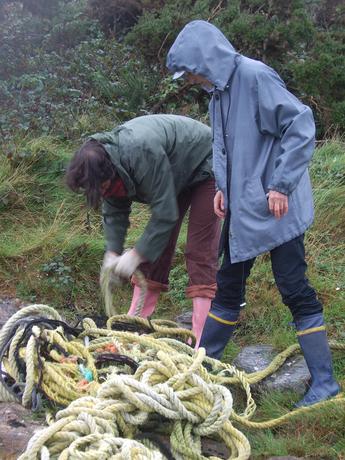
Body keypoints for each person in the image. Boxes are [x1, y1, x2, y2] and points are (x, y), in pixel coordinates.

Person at [166, 20, 340, 406]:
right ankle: (204, 367)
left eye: (190, 71)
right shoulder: (217, 94)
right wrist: (222, 190)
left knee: (294, 288)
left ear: (205, 60)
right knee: (228, 285)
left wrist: (280, 184)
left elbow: (301, 124)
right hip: (242, 209)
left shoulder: (255, 77)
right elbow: (225, 148)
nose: (190, 79)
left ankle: (325, 383)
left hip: (277, 209)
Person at [66, 114, 221, 347]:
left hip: (206, 162)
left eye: (100, 188)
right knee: (158, 246)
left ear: (107, 173)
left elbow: (165, 213)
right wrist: (113, 253)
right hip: (175, 171)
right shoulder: (105, 166)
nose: (99, 192)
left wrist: (136, 255)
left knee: (199, 250)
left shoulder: (141, 153)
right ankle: (136, 323)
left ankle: (202, 341)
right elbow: (115, 211)